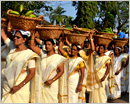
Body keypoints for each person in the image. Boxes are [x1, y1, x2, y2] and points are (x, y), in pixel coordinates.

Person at [1, 28, 40, 103]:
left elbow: (32, 73)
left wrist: (19, 86)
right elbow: (2, 34)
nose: (15, 38)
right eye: (14, 37)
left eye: (18, 37)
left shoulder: (29, 54)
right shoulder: (12, 48)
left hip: (20, 88)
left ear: (24, 39)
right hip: (6, 86)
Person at [30, 32, 66, 103]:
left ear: (53, 46)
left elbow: (61, 71)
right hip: (40, 83)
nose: (47, 46)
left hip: (52, 85)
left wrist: (52, 80)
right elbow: (32, 46)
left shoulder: (58, 57)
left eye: (49, 44)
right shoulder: (43, 53)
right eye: (46, 44)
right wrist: (32, 34)